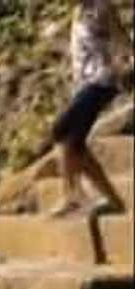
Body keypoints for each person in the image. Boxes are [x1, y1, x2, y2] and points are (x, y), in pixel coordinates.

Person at [49, 0, 133, 219]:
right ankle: (113, 201)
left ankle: (72, 195)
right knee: (75, 144)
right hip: (84, 83)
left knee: (61, 128)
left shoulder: (102, 7)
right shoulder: (78, 11)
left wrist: (124, 64)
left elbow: (122, 40)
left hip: (103, 80)